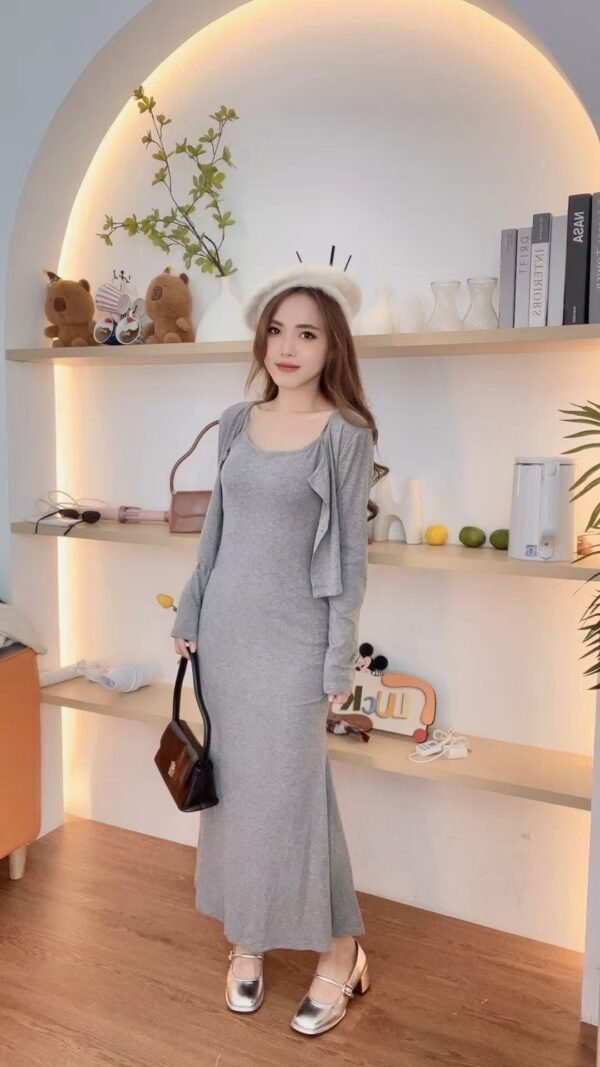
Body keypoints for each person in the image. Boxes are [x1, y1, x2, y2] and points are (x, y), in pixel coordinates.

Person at [170, 262, 387, 1036]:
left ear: (332, 346)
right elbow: (216, 531)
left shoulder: (346, 434)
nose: (287, 347)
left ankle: (340, 949)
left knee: (292, 795)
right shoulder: (236, 421)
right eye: (276, 330)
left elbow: (351, 557)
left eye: (307, 333)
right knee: (235, 794)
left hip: (297, 640)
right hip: (226, 635)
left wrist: (337, 656)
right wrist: (191, 607)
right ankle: (247, 938)